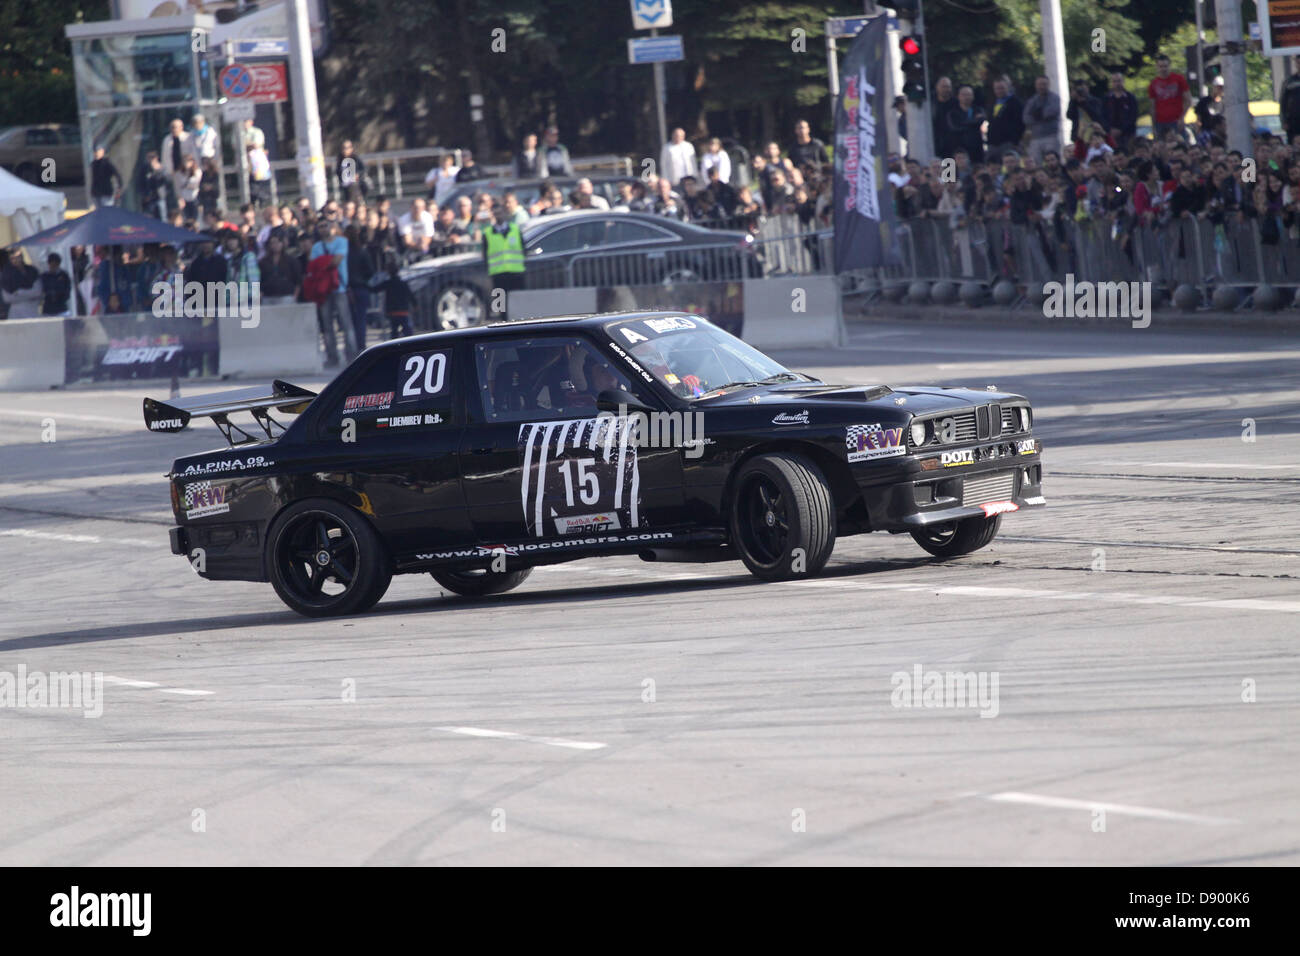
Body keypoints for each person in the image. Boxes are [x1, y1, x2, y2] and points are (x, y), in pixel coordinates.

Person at [307, 219, 356, 366]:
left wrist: (323, 263)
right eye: (320, 226)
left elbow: (337, 260)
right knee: (327, 326)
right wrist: (326, 262)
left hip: (339, 287)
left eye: (325, 225)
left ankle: (352, 356)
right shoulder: (316, 247)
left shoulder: (341, 242)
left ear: (332, 227)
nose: (323, 229)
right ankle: (332, 357)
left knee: (346, 324)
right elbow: (312, 266)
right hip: (323, 290)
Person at [483, 201, 526, 312]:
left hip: (516, 273)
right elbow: (485, 255)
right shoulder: (488, 233)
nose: (499, 216)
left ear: (505, 213)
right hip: (498, 274)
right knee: (501, 307)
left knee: (519, 304)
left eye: (500, 212)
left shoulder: (515, 229)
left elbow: (523, 248)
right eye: (496, 213)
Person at [1148, 54, 1191, 144]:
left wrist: (1182, 118)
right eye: (1161, 66)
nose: (1163, 69)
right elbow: (1152, 107)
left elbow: (1188, 100)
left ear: (1169, 66)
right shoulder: (1153, 84)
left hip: (1176, 121)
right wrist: (1153, 127)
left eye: (1165, 66)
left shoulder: (1179, 79)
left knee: (1181, 144)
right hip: (1160, 123)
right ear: (1157, 67)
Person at [1023, 75, 1063, 164]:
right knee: (1036, 164)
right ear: (1035, 85)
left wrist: (1037, 114)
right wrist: (1040, 115)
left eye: (1044, 84)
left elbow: (1052, 112)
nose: (1041, 86)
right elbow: (1026, 118)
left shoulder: (1054, 98)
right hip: (1035, 138)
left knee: (1053, 162)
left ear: (1048, 85)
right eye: (1039, 84)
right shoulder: (1032, 100)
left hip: (1051, 136)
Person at [945, 86, 988, 163]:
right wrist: (973, 123)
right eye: (964, 94)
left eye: (969, 94)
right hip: (960, 148)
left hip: (977, 148)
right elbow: (954, 127)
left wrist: (963, 122)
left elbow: (981, 121)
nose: (967, 97)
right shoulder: (953, 113)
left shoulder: (978, 110)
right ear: (958, 96)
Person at [258, 233, 301, 305]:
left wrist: (295, 296)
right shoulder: (263, 262)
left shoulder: (291, 260)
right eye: (273, 243)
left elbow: (298, 280)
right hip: (268, 297)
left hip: (287, 296)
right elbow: (260, 279)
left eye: (278, 242)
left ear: (282, 243)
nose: (275, 245)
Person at [986, 76, 1025, 154]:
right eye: (997, 88)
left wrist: (1015, 141)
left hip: (1008, 143)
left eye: (1002, 88)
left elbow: (1020, 123)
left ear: (1008, 87)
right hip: (993, 144)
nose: (999, 91)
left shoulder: (1015, 103)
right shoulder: (993, 103)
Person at [1102, 71, 1138, 149]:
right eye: (1114, 81)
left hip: (1128, 134)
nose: (1117, 84)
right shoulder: (1106, 98)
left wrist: (1121, 129)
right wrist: (1109, 129)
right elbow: (1103, 116)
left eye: (1119, 81)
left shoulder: (1130, 98)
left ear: (1123, 81)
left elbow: (1133, 116)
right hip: (1111, 134)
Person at [138, 151, 170, 219]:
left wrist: (158, 171)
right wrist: (144, 195)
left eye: (152, 158)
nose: (150, 160)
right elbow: (141, 182)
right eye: (149, 158)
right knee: (149, 216)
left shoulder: (162, 168)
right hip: (149, 197)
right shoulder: (144, 169)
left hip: (160, 195)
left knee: (162, 215)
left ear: (156, 158)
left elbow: (166, 181)